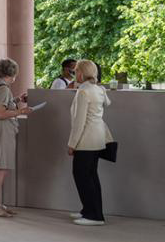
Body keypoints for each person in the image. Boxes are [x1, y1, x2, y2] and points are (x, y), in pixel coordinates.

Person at [0, 58, 33, 217]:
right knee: (1, 168)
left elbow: (0, 106)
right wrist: (21, 111)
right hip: (3, 130)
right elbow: (0, 113)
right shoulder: (4, 89)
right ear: (11, 73)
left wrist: (17, 100)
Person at [67, 59, 114, 226]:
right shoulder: (98, 89)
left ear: (80, 73)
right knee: (91, 176)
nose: (74, 74)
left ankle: (94, 216)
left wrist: (72, 144)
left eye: (75, 71)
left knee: (82, 175)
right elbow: (107, 103)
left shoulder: (83, 92)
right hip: (98, 138)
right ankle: (89, 210)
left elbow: (79, 122)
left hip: (86, 140)